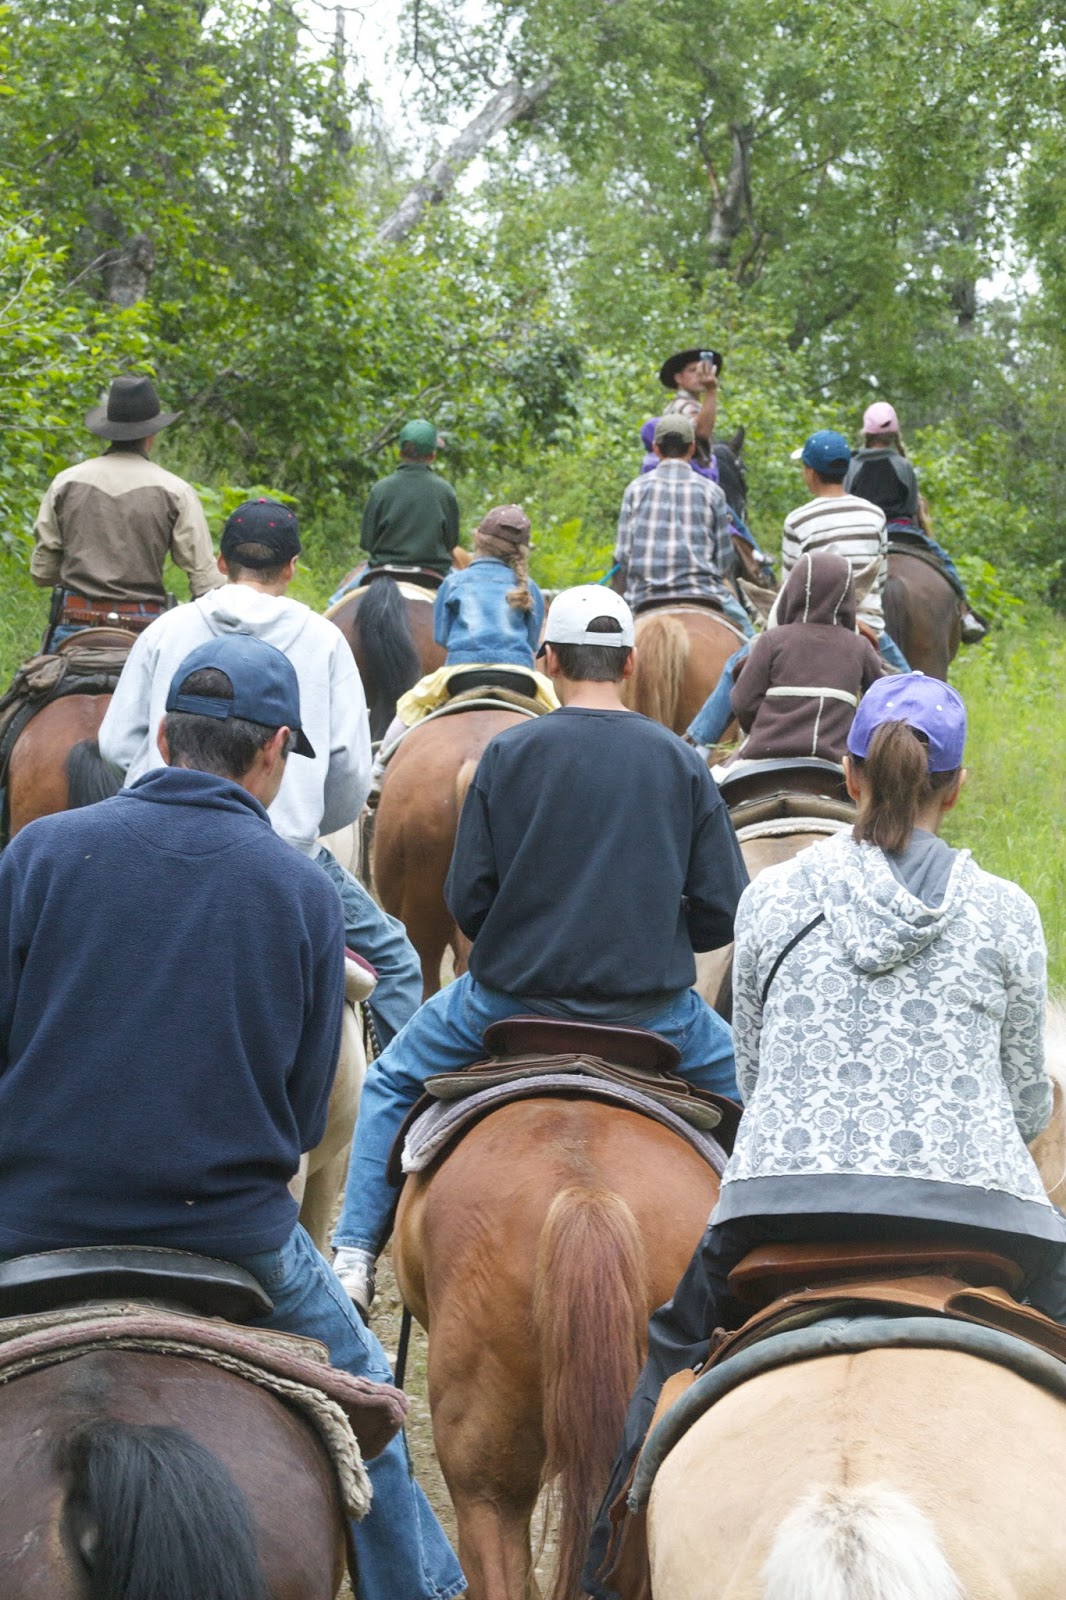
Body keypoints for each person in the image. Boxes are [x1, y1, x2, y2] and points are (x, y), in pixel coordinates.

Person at [0, 634, 465, 1600]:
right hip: (231, 1235)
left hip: (30, 1219)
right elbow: (302, 1116)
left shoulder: (37, 854)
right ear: (275, 752)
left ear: (164, 737)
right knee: (370, 1410)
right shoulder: (301, 891)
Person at [585, 671, 1060, 1596]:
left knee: (665, 1368)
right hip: (981, 1209)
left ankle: (603, 1572)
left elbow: (755, 1075)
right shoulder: (1007, 910)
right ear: (957, 787)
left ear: (850, 775)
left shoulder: (771, 899)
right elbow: (1024, 1102)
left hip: (782, 1203)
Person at [333, 585, 749, 1314]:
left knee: (391, 1081)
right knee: (766, 1095)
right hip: (656, 1015)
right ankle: (768, 1263)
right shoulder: (679, 762)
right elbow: (722, 910)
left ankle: (353, 1259)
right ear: (628, 663)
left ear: (548, 660)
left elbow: (468, 900)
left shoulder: (510, 752)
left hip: (505, 1002)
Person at [98, 497, 421, 1048]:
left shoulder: (166, 629)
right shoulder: (324, 640)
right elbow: (347, 772)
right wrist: (305, 822)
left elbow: (115, 743)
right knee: (394, 962)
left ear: (221, 562)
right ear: (292, 567)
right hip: (284, 849)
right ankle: (394, 1098)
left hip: (151, 835)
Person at [367, 504, 558, 791]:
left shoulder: (454, 582)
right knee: (561, 715)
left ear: (477, 539)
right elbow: (532, 643)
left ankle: (379, 768)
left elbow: (441, 636)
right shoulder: (529, 587)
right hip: (519, 676)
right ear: (521, 552)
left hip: (461, 673)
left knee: (408, 708)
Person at [31, 374, 223, 648]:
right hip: (145, 629)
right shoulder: (176, 491)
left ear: (108, 429)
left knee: (34, 675)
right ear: (151, 434)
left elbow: (43, 573)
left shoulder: (66, 482)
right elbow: (206, 582)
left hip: (74, 622)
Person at [717, 550, 883, 766]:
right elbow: (882, 700)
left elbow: (742, 701)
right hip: (837, 761)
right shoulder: (860, 646)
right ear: (847, 597)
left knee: (712, 782)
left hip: (764, 754)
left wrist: (759, 729)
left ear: (793, 590)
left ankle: (699, 743)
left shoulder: (772, 639)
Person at [844, 401, 986, 643]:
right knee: (945, 563)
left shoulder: (853, 465)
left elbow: (847, 499)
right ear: (894, 435)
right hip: (902, 530)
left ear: (866, 433)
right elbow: (911, 506)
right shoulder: (903, 465)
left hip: (864, 532)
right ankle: (965, 613)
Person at [614, 414, 751, 634]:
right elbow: (724, 561)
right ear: (692, 448)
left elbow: (623, 555)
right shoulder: (713, 492)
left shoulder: (634, 490)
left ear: (656, 448)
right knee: (749, 638)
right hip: (704, 595)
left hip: (643, 597)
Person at [360, 418, 461, 579]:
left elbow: (367, 542)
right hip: (433, 572)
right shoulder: (446, 491)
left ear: (400, 453)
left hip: (382, 569)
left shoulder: (380, 489)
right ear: (432, 455)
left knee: (340, 594)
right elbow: (451, 542)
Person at [659, 345, 721, 466]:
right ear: (678, 378)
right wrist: (711, 390)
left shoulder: (674, 404)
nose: (699, 374)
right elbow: (702, 431)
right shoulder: (684, 405)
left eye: (703, 369)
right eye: (692, 370)